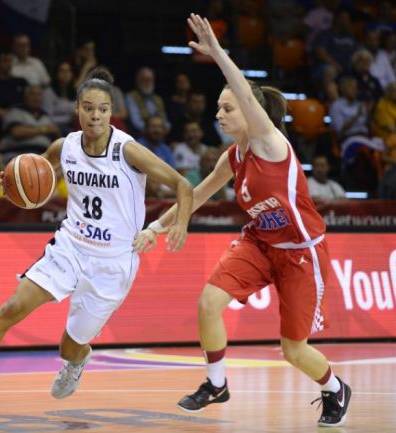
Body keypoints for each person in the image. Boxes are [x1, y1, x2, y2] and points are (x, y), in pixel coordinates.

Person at [0, 67, 193, 408]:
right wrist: (14, 187)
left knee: (70, 345)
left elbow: (183, 186)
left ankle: (76, 362)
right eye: (89, 107)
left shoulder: (127, 151)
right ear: (76, 108)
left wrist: (178, 223)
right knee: (13, 307)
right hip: (70, 247)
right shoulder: (65, 147)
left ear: (112, 112)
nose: (96, 115)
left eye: (104, 109)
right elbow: (35, 177)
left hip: (112, 263)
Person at [137, 14, 352, 428]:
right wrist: (155, 228)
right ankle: (216, 384)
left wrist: (217, 53)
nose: (219, 113)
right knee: (208, 303)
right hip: (259, 244)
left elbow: (245, 96)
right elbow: (196, 196)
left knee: (293, 350)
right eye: (218, 107)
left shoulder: (271, 143)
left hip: (300, 254)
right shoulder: (232, 156)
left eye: (227, 107)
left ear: (248, 111)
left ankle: (334, 388)